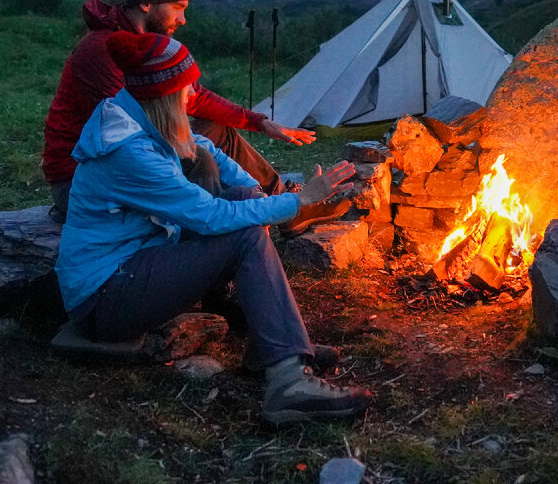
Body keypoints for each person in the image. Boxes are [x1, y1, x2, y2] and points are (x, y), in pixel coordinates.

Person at [54, 31, 373, 425]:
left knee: (242, 199)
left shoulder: (139, 112)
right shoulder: (128, 151)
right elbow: (210, 217)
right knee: (241, 232)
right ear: (164, 94)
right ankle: (288, 383)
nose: (193, 94)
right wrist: (298, 201)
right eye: (186, 87)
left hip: (138, 263)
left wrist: (258, 194)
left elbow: (208, 150)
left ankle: (269, 348)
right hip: (105, 298)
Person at [42, 0, 345, 232]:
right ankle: (266, 214)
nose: (184, 19)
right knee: (200, 150)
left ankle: (281, 203)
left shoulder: (142, 45)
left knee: (214, 130)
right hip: (84, 183)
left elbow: (194, 97)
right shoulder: (102, 50)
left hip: (122, 166)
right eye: (178, 6)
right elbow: (125, 138)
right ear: (147, 3)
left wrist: (260, 122)